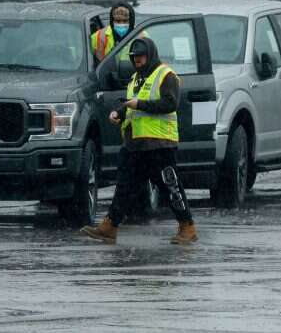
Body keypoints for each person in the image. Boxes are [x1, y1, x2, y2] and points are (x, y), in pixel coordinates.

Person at [80, 37, 198, 245]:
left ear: (150, 55)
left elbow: (170, 103)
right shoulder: (136, 78)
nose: (137, 61)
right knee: (124, 187)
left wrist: (139, 104)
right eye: (134, 58)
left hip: (159, 144)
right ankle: (110, 226)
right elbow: (131, 105)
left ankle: (187, 226)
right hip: (134, 144)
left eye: (141, 57)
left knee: (170, 187)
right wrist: (119, 112)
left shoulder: (166, 75)